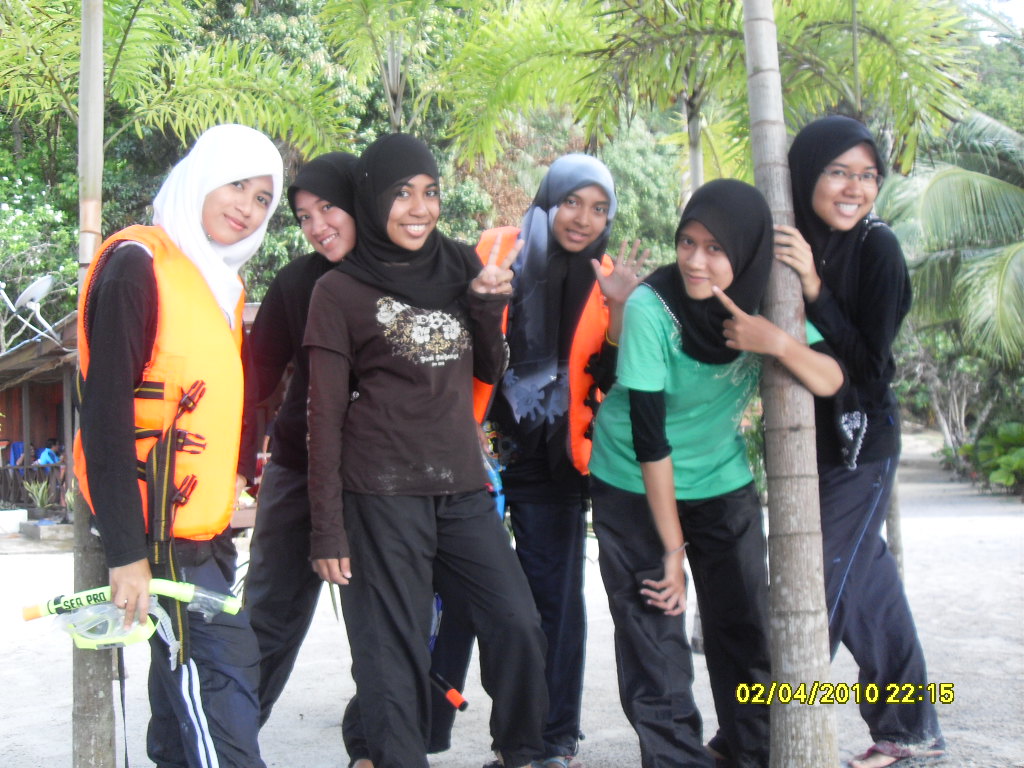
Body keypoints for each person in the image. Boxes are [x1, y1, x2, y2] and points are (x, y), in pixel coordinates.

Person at [305, 132, 548, 768]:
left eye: (430, 191)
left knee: (517, 621)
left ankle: (521, 752)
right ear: (372, 200)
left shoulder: (461, 264)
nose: (420, 208)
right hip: (378, 494)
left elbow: (490, 369)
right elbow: (323, 418)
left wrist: (487, 306)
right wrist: (327, 529)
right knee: (394, 653)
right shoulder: (338, 292)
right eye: (402, 194)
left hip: (461, 486)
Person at [588, 179, 844, 768]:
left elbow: (830, 378)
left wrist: (774, 340)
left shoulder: (768, 299)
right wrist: (671, 550)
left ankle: (752, 752)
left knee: (745, 627)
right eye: (688, 243)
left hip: (720, 479)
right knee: (654, 638)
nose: (696, 261)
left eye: (715, 248)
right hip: (632, 478)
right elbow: (650, 439)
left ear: (745, 253)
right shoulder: (652, 308)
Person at [74, 123, 283, 768]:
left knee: (181, 703)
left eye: (263, 199)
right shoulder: (138, 265)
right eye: (237, 185)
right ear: (201, 177)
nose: (247, 207)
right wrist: (126, 554)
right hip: (159, 539)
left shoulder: (220, 285)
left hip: (203, 536)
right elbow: (105, 419)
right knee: (222, 693)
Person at [429, 152, 647, 768]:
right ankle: (428, 724)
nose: (583, 218)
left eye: (598, 208)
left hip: (556, 461)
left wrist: (621, 312)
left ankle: (548, 740)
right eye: (571, 201)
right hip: (477, 452)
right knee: (464, 594)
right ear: (548, 200)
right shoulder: (495, 251)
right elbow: (449, 339)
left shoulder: (609, 280)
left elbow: (611, 379)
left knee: (554, 601)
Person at [778, 115, 944, 768]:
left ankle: (766, 726)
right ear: (805, 176)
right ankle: (911, 732)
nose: (855, 188)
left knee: (818, 585)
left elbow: (872, 370)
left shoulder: (878, 250)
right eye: (838, 172)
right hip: (807, 448)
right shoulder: (793, 241)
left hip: (862, 446)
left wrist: (815, 291)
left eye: (868, 175)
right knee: (869, 592)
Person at [243, 151, 358, 725]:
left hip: (380, 475)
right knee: (268, 613)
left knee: (388, 623)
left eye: (328, 208)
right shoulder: (295, 282)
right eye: (304, 216)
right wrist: (237, 465)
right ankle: (231, 742)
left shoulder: (408, 274)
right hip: (298, 467)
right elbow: (252, 380)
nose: (317, 226)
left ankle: (373, 748)